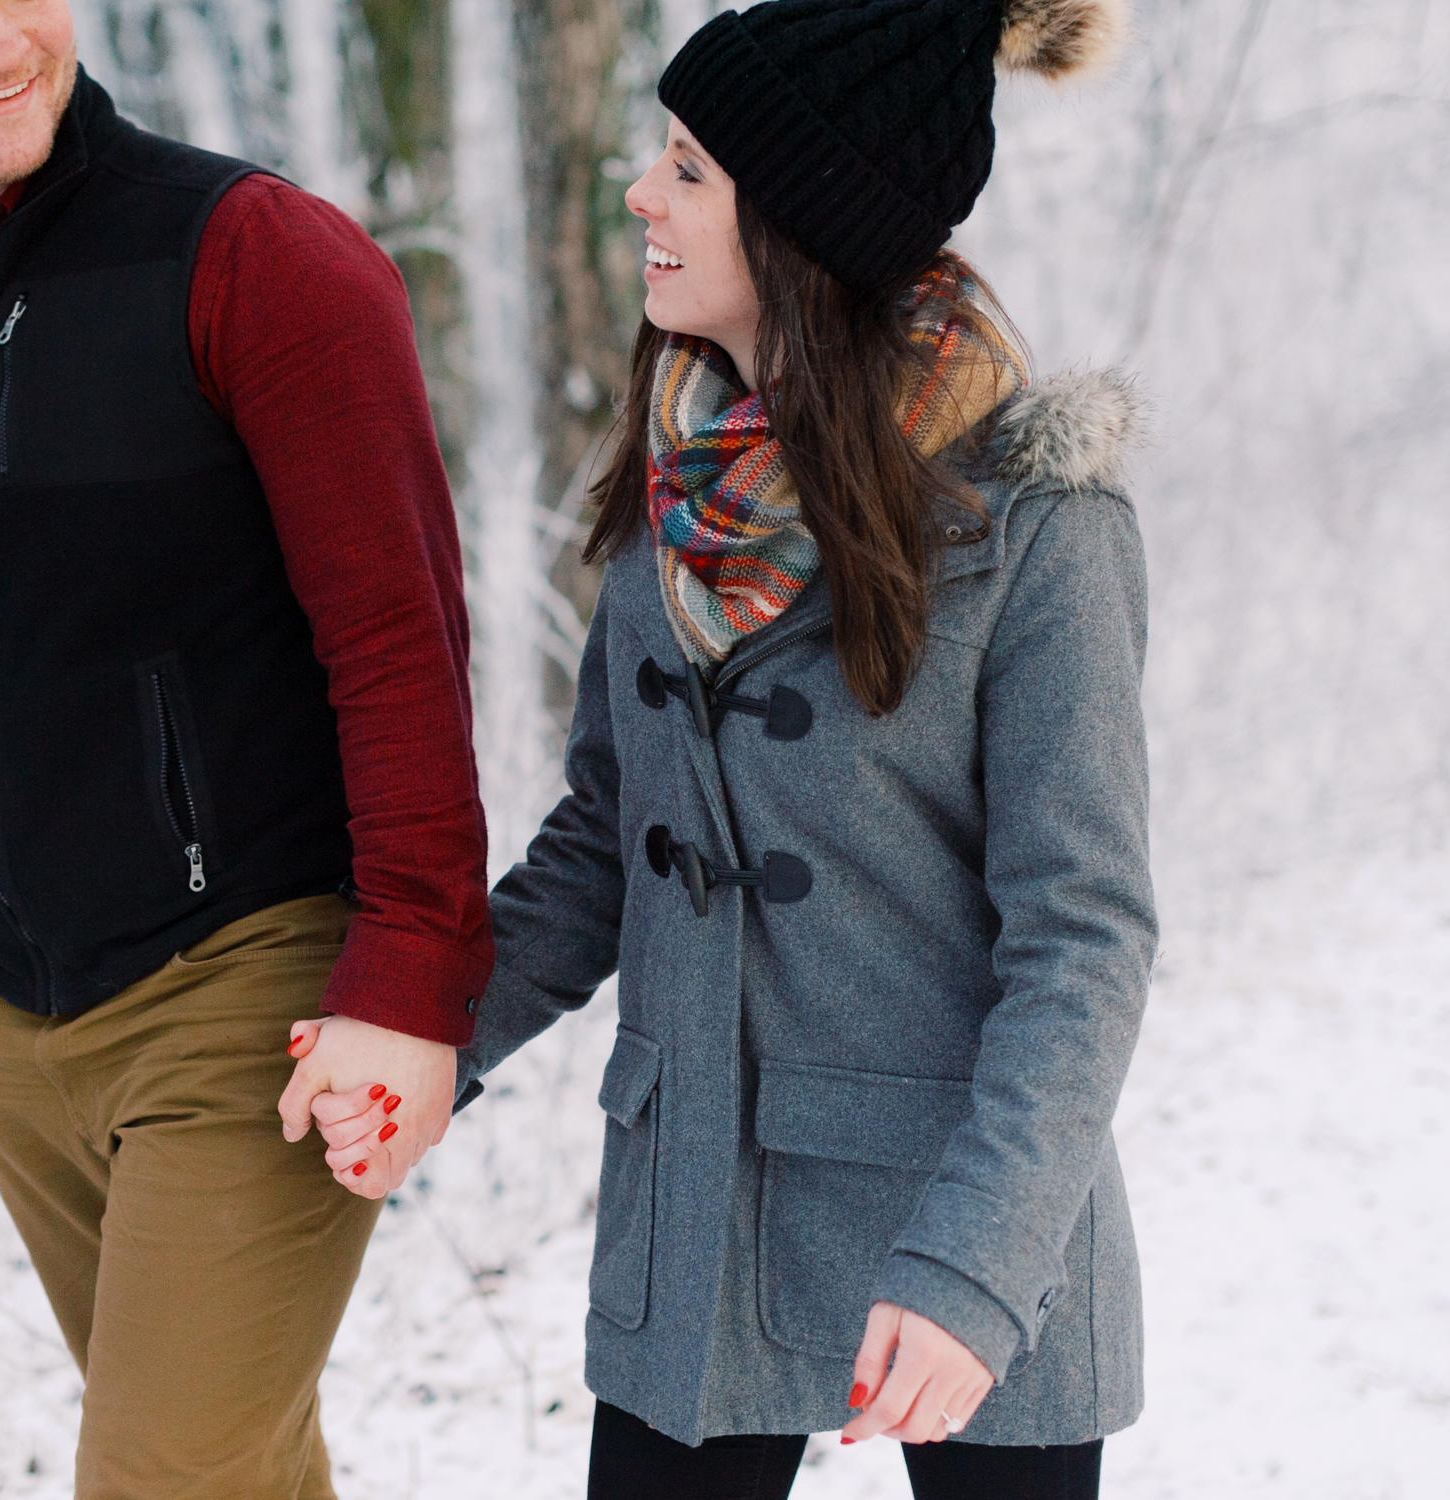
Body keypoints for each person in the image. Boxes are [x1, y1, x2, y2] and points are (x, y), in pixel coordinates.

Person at [319, 0, 1154, 1495]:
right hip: (696, 1198)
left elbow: (1081, 942)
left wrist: (977, 1269)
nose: (642, 191)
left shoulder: (1038, 532)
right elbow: (602, 845)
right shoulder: (677, 490)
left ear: (800, 224)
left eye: (690, 167)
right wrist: (435, 1039)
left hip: (972, 1223)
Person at [0, 0, 491, 1494]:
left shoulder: (255, 255)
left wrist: (412, 975)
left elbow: (399, 638)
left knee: (161, 1477)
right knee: (237, 1468)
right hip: (5, 1016)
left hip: (250, 995)